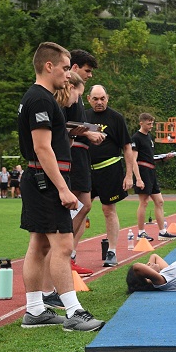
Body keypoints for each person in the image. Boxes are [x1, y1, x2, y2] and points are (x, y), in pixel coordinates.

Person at [17, 41, 104, 331]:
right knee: (63, 245)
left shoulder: (38, 97)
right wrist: (63, 189)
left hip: (38, 179)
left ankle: (35, 310)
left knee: (39, 244)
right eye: (66, 68)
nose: (69, 74)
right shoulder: (41, 99)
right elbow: (43, 148)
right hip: (46, 180)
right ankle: (73, 312)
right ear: (48, 66)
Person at [85, 84, 142, 267]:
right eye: (95, 99)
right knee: (80, 210)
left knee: (108, 210)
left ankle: (111, 251)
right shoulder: (83, 116)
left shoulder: (116, 118)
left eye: (102, 98)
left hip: (109, 169)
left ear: (107, 98)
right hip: (86, 170)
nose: (99, 102)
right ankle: (69, 252)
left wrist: (128, 175)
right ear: (88, 99)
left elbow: (127, 147)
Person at [64, 50, 105, 277]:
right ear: (75, 67)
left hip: (81, 154)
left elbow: (74, 124)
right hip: (73, 153)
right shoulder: (66, 90)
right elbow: (64, 125)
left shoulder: (76, 93)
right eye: (87, 71)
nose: (89, 76)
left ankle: (68, 254)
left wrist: (92, 131)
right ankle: (61, 252)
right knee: (72, 206)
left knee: (86, 205)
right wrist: (89, 133)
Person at [131, 113, 176, 241]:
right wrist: (138, 178)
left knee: (160, 201)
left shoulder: (149, 138)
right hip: (143, 172)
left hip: (151, 171)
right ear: (141, 123)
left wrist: (163, 158)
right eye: (148, 123)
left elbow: (149, 157)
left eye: (152, 123)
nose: (151, 125)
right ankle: (141, 232)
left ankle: (162, 231)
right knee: (144, 202)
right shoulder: (136, 138)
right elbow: (133, 160)